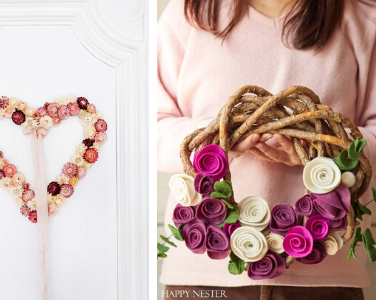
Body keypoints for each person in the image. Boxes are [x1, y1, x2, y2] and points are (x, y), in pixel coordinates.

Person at [157, 0, 376, 298]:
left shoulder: (362, 18)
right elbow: (149, 128)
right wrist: (223, 136)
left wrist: (318, 147)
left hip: (325, 277)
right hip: (203, 277)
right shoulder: (188, 15)